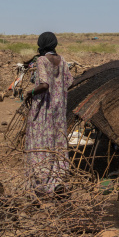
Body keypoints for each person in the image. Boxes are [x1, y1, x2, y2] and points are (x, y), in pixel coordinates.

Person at [24, 32, 73, 194]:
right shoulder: (63, 60)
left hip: (43, 110)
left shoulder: (41, 60)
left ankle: (43, 183)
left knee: (39, 143)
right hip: (58, 111)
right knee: (56, 142)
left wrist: (29, 93)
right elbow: (69, 81)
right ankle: (57, 180)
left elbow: (44, 85)